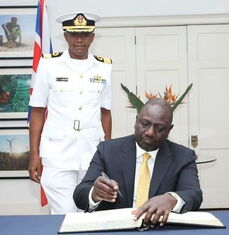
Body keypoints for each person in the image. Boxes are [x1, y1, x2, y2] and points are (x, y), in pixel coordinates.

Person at [28, 12, 113, 214]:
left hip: (92, 152)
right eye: (74, 34)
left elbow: (106, 114)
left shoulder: (104, 68)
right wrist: (33, 154)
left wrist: (108, 153)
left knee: (90, 211)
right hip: (58, 153)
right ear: (65, 36)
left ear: (92, 36)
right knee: (64, 212)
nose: (79, 40)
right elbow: (38, 112)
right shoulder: (48, 65)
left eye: (84, 34)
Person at [73, 99, 202, 227]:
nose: (150, 132)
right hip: (116, 229)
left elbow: (194, 194)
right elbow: (80, 193)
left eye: (159, 128)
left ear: (169, 130)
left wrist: (171, 199)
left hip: (159, 229)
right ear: (136, 121)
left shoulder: (183, 156)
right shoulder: (107, 150)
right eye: (145, 124)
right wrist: (95, 194)